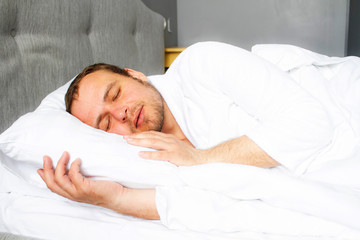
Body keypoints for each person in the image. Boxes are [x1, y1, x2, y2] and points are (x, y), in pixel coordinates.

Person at [37, 42, 333, 221]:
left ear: (135, 75)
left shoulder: (201, 64)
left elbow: (309, 124)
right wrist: (113, 198)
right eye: (105, 124)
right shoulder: (140, 156)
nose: (120, 113)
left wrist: (200, 158)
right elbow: (193, 207)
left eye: (115, 94)